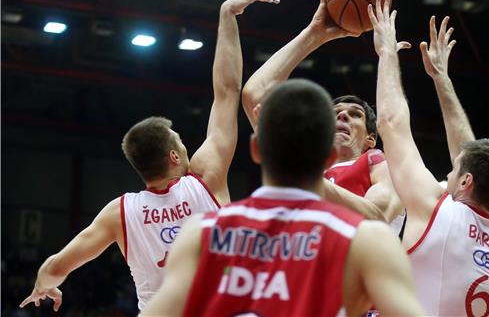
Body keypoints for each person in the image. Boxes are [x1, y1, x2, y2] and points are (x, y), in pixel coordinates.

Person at [19, 0, 281, 312]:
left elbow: (56, 266)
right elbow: (227, 91)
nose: (185, 148)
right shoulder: (204, 177)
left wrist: (46, 284)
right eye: (181, 143)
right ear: (174, 156)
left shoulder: (120, 212)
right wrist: (227, 15)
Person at [142, 79, 425, 316]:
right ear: (328, 156)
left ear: (256, 150)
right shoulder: (365, 239)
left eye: (353, 115)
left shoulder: (200, 233)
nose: (343, 118)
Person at [370, 0, 489, 316]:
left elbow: (391, 124)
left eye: (455, 172)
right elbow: (470, 153)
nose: (448, 174)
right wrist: (441, 78)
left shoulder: (434, 210)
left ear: (466, 180)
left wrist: (386, 53)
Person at [242, 0, 407, 233]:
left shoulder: (375, 161)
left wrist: (302, 175)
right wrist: (314, 34)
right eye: (335, 113)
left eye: (355, 115)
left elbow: (377, 217)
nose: (342, 114)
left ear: (370, 139)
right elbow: (255, 95)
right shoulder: (304, 162)